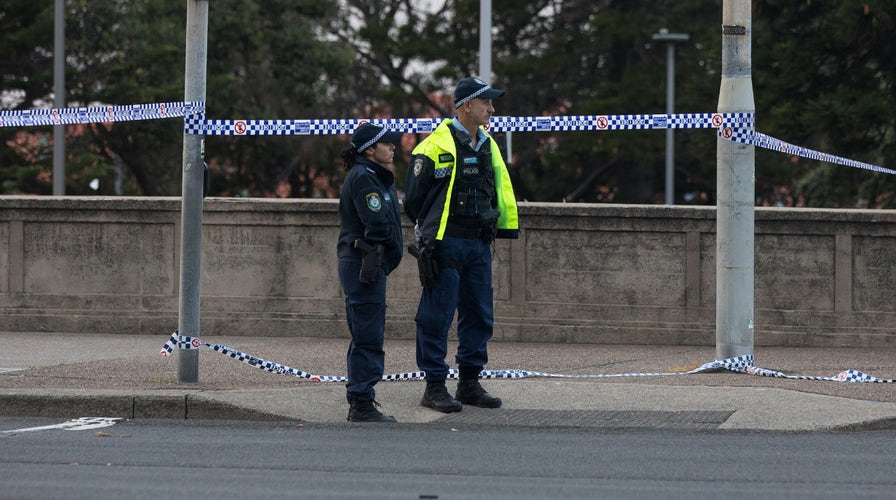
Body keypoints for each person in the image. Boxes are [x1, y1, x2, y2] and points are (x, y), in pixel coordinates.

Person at [404, 77, 520, 413]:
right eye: (486, 103)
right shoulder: (434, 146)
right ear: (467, 104)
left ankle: (469, 383)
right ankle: (435, 386)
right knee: (436, 316)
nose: (492, 109)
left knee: (479, 315)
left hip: (478, 243)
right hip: (446, 243)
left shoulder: (487, 144)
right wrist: (431, 234)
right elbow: (413, 200)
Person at [337, 122, 405, 422]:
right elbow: (376, 223)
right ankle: (361, 402)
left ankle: (361, 397)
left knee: (367, 331)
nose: (393, 148)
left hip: (370, 262)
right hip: (364, 263)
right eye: (387, 144)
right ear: (369, 149)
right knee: (368, 335)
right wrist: (384, 251)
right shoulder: (365, 178)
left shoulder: (375, 176)